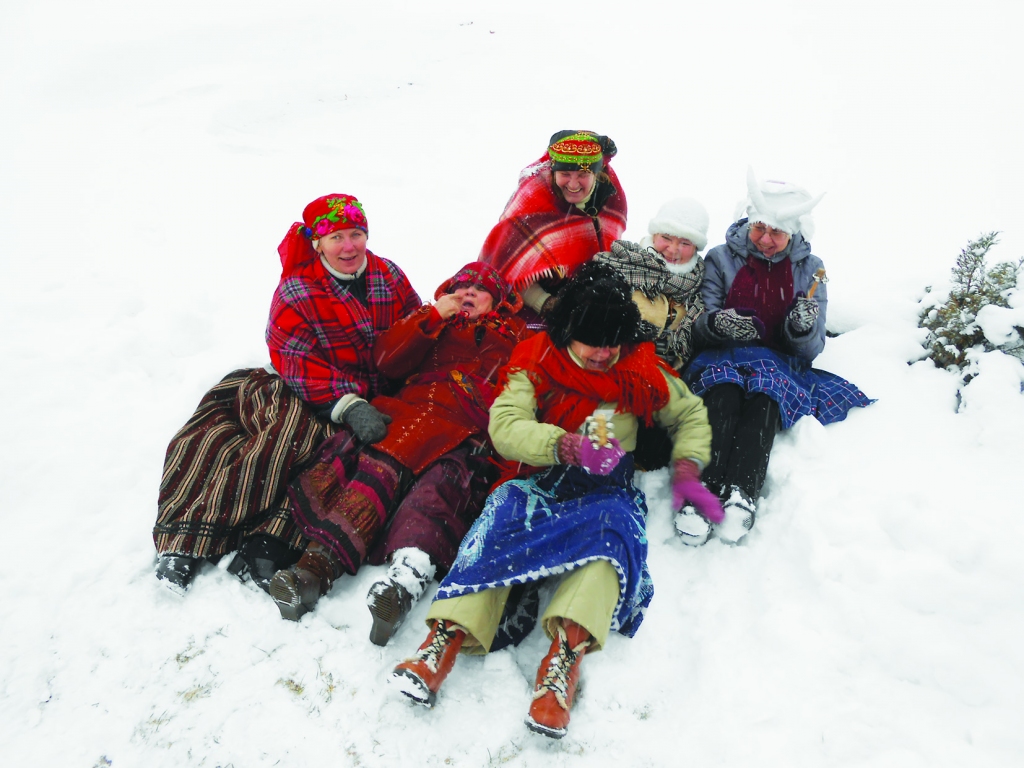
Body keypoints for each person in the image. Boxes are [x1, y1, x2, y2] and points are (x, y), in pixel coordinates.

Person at [390, 262, 722, 739]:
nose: (604, 354)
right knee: (501, 514)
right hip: (542, 475)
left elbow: (689, 413)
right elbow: (505, 425)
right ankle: (441, 643)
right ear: (568, 333)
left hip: (607, 487)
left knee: (613, 536)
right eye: (592, 343)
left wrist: (688, 467)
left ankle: (562, 663)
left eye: (613, 344)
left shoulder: (641, 368)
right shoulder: (536, 357)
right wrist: (564, 445)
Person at [153, 194, 420, 592]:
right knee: (281, 439)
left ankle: (267, 544)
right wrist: (347, 403)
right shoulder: (297, 290)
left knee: (336, 460)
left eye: (356, 234)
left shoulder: (389, 276)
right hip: (301, 387)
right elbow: (292, 358)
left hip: (371, 398)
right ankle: (188, 541)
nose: (349, 246)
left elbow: (413, 329)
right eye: (336, 237)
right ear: (317, 243)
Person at [268, 263, 529, 643]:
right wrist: (432, 317)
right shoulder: (432, 321)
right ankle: (311, 573)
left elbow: (530, 391)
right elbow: (386, 360)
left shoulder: (518, 337)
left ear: (499, 300)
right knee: (376, 474)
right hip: (408, 415)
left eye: (481, 288)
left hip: (467, 431)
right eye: (461, 286)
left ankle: (401, 588)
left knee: (437, 492)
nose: (469, 292)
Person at [680, 169, 873, 546]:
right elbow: (699, 324)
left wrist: (800, 328)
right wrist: (718, 324)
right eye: (759, 229)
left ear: (795, 232)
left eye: (777, 233)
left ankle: (742, 494)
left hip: (777, 362)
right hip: (723, 356)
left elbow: (812, 348)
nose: (766, 239)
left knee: (765, 399)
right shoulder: (720, 258)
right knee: (724, 395)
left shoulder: (813, 270)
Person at [593, 197, 711, 472]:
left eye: (685, 243)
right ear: (654, 234)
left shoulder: (701, 287)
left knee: (657, 449)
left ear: (696, 247)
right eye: (666, 238)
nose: (673, 249)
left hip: (670, 382)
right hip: (618, 370)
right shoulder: (621, 267)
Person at [479, 130, 627, 324]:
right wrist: (548, 304)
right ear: (553, 171)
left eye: (583, 174)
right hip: (528, 302)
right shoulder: (533, 198)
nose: (573, 184)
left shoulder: (611, 199)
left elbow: (609, 251)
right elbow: (508, 270)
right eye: (565, 174)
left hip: (587, 294)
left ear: (597, 173)